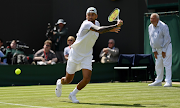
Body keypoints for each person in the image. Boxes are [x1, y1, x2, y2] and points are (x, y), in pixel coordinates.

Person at [55, 7, 123, 103]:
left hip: (87, 55)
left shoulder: (97, 23)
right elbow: (99, 30)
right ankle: (59, 83)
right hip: (75, 54)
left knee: (87, 78)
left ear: (96, 16)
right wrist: (114, 25)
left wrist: (113, 29)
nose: (90, 16)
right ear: (86, 16)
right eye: (89, 15)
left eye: (93, 15)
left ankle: (72, 94)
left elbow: (100, 29)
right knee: (68, 80)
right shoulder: (86, 24)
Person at [148, 13, 172, 87]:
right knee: (158, 65)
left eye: (153, 19)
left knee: (167, 64)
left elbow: (167, 39)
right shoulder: (150, 27)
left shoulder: (164, 26)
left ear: (158, 19)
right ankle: (158, 81)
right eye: (151, 19)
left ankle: (168, 81)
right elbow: (151, 39)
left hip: (166, 47)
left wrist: (164, 50)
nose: (151, 20)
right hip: (157, 50)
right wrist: (154, 50)